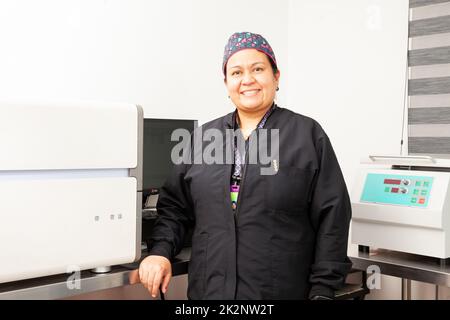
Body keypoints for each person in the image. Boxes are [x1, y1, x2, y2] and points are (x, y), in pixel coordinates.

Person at [138, 31, 352, 300]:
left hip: (281, 290)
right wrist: (160, 252)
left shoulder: (307, 135)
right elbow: (175, 208)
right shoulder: (203, 139)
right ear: (226, 82)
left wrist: (323, 288)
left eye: (258, 69)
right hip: (211, 291)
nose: (247, 80)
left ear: (276, 76)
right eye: (236, 72)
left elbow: (333, 216)